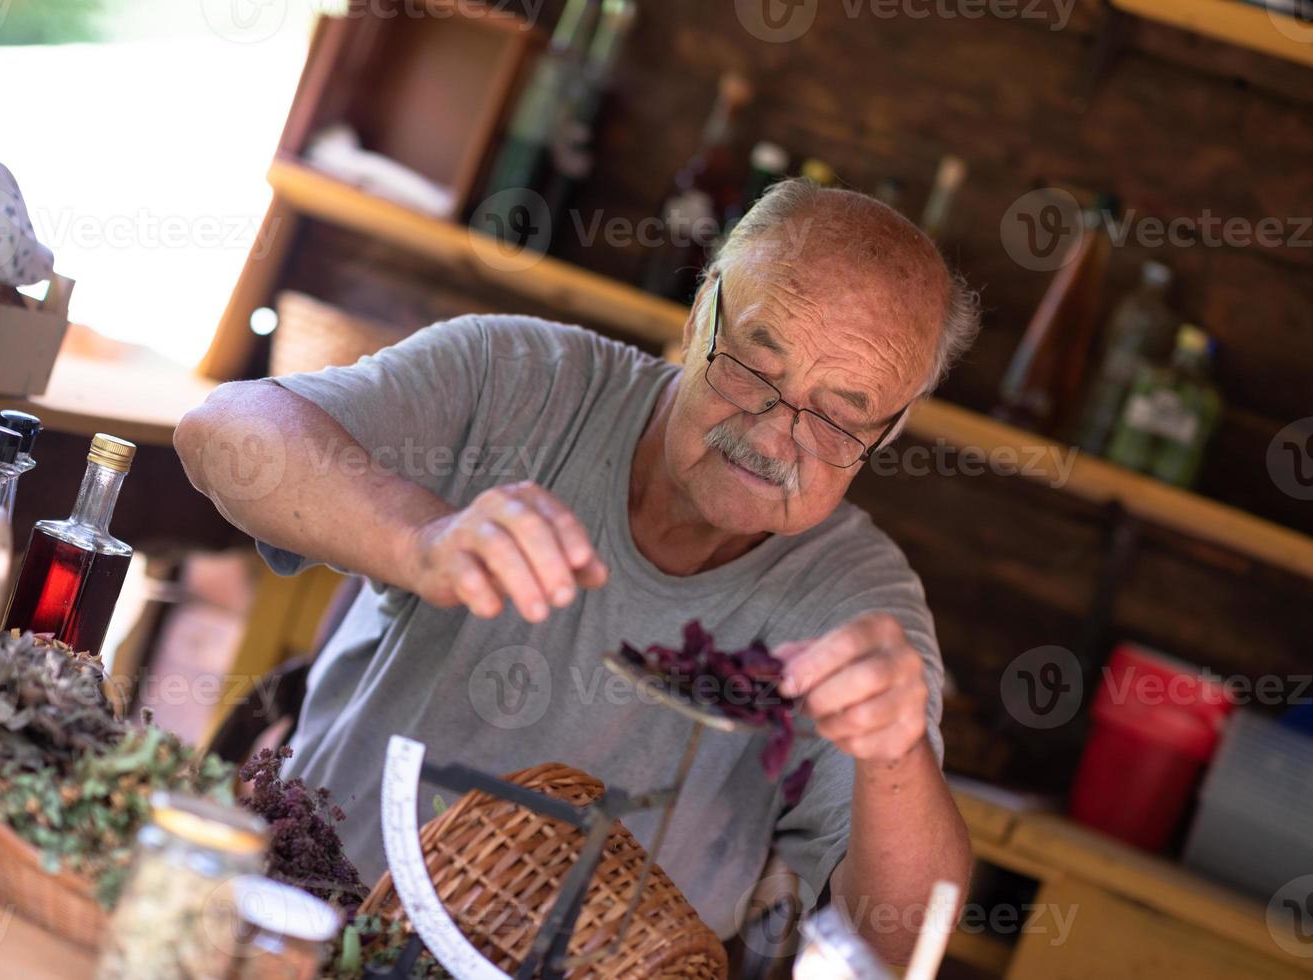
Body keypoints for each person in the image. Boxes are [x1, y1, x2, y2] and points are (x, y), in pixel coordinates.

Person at [174, 179, 979, 963]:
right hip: (308, 929)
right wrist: (422, 538)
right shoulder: (520, 379)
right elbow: (223, 430)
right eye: (754, 369)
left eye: (839, 417)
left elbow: (905, 941)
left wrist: (894, 754)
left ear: (893, 424)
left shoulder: (858, 599)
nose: (773, 438)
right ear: (701, 313)